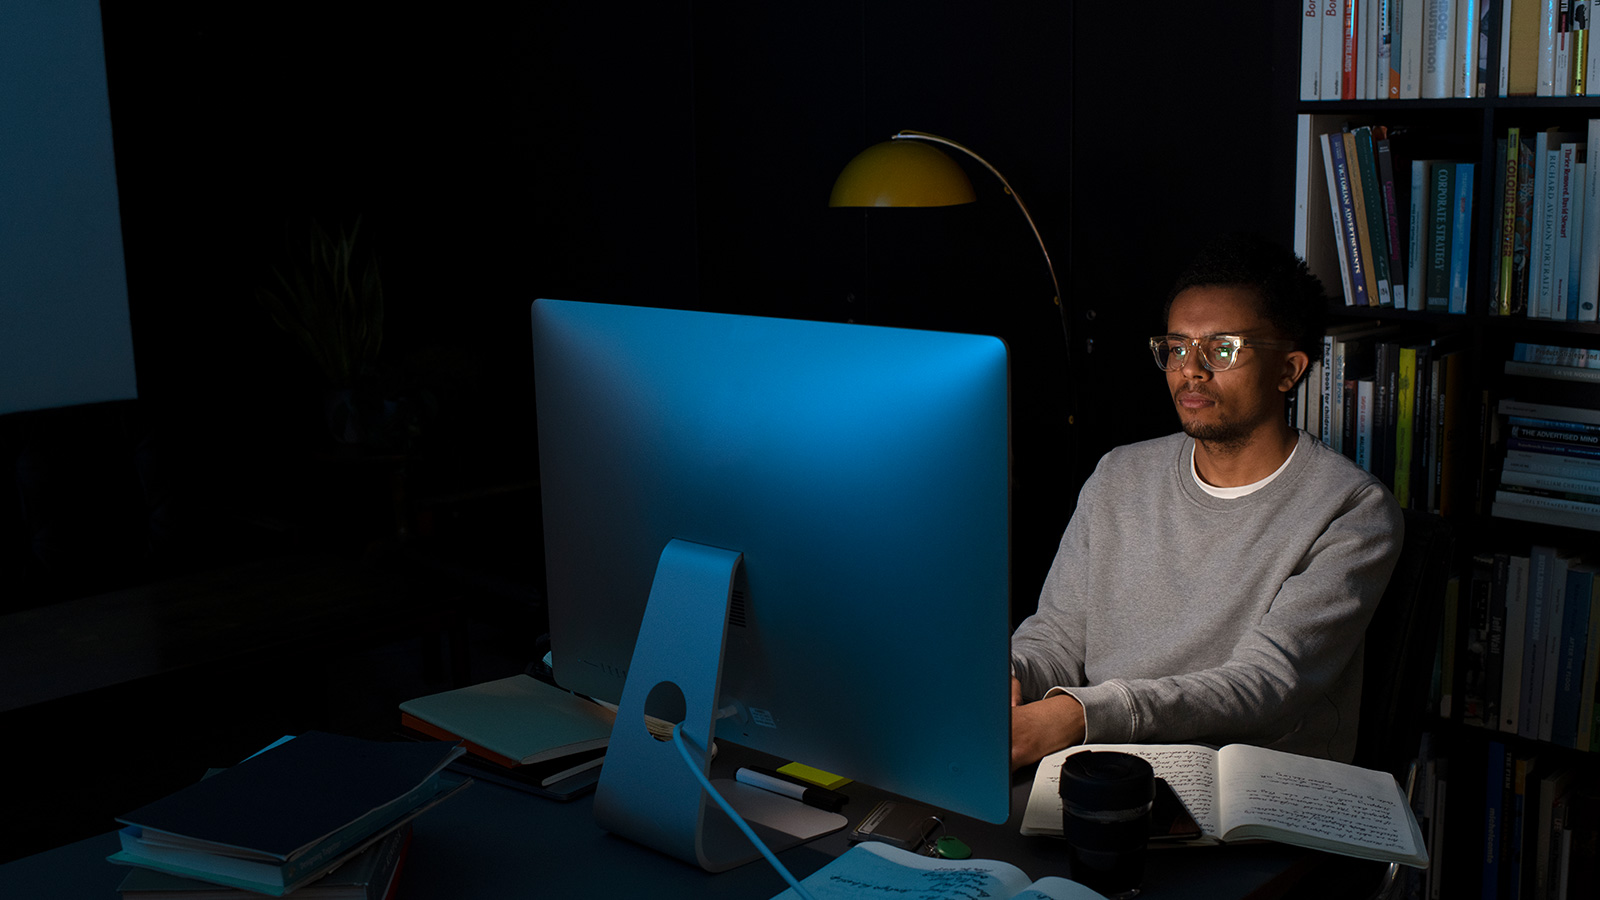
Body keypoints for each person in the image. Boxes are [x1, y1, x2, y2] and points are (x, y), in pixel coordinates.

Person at [1009, 233, 1403, 769]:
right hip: (1106, 761)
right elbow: (1055, 636)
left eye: (1223, 349)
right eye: (1176, 347)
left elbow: (1264, 684)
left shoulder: (1352, 509)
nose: (1190, 369)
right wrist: (1009, 675)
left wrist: (1078, 715)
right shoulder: (1119, 476)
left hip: (1251, 788)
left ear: (1290, 370)